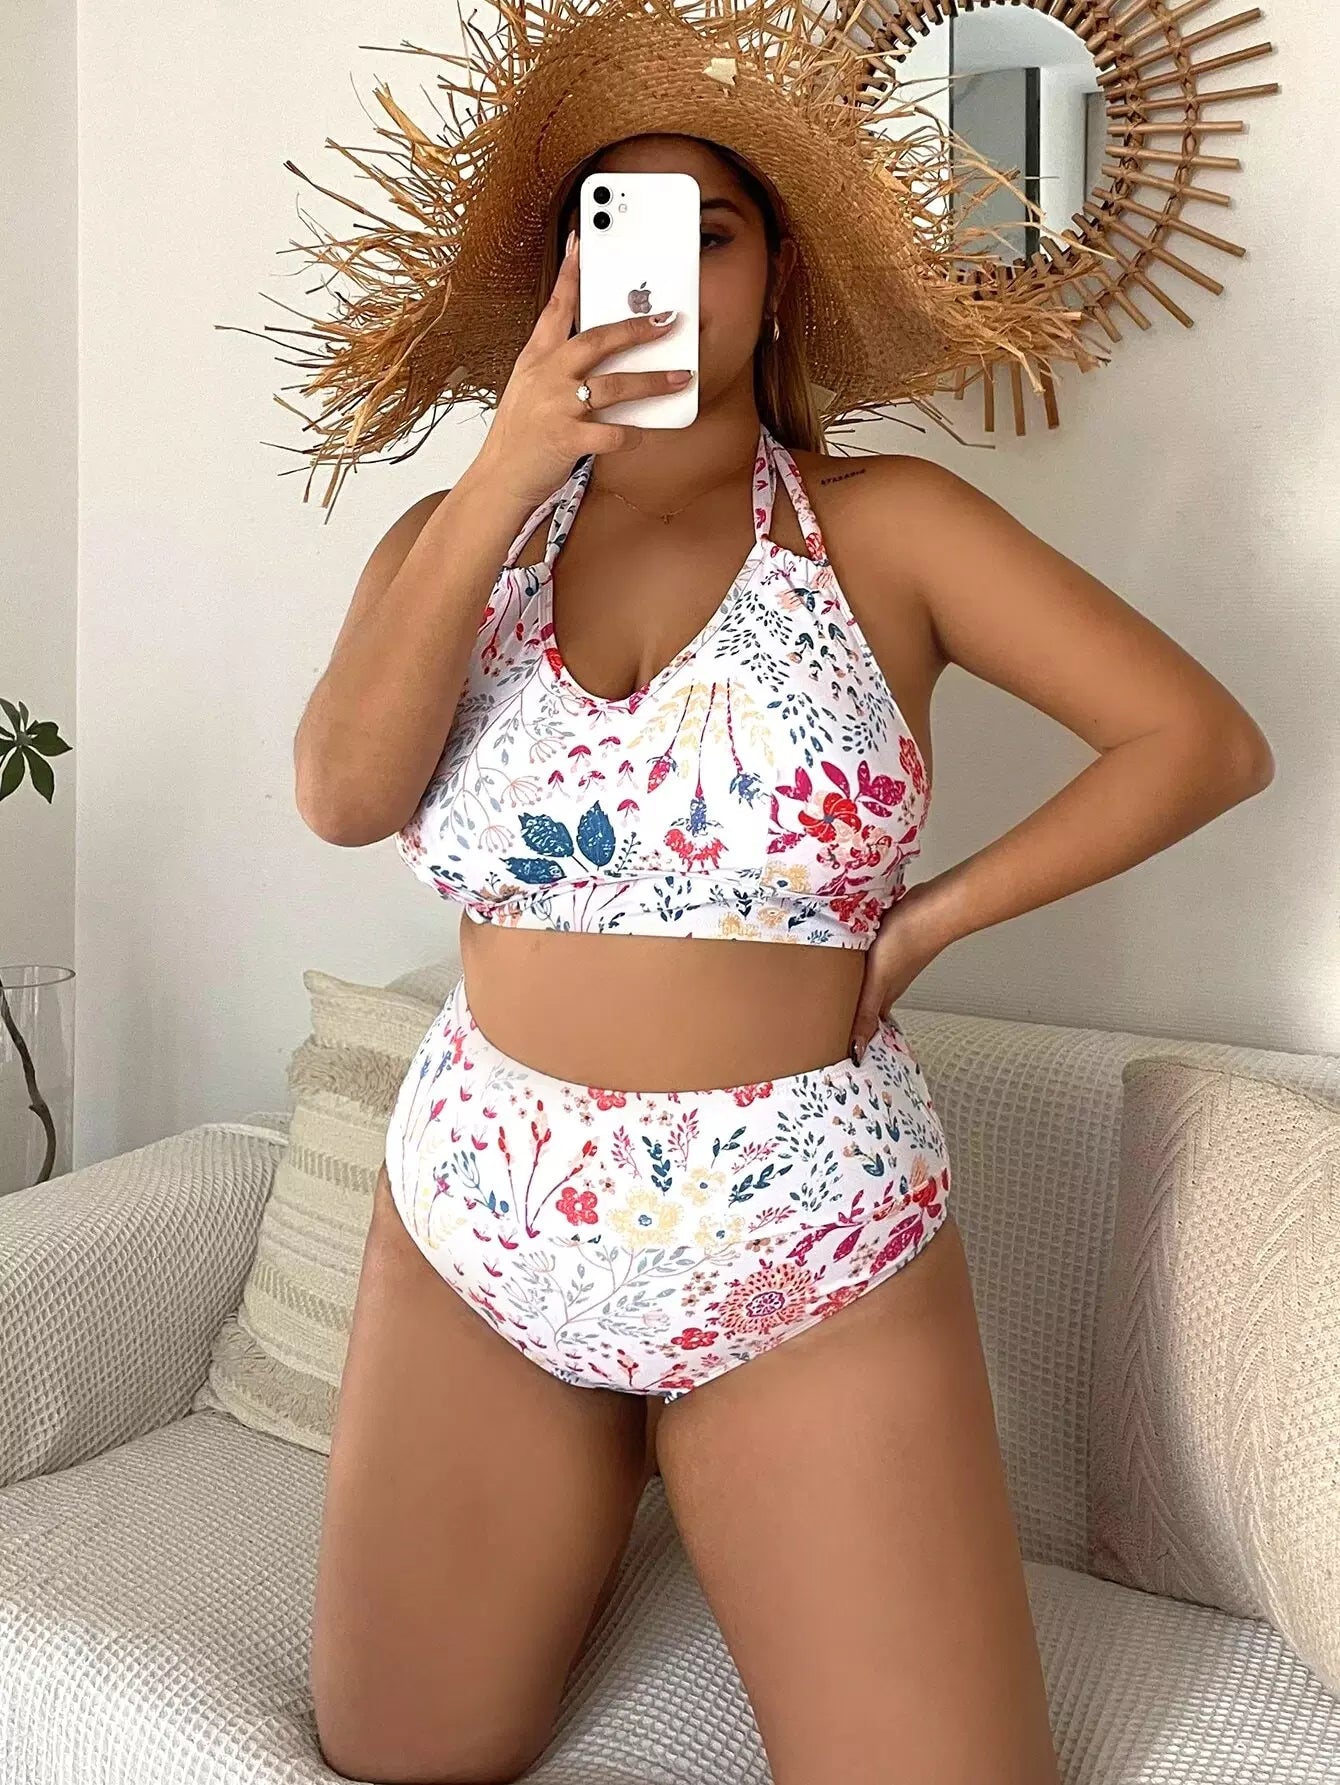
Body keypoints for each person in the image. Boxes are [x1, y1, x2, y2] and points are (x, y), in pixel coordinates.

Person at [281, 6, 1275, 1782]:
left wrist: (930, 920)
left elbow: (1198, 739)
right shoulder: (452, 536)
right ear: (558, 275)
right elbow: (343, 796)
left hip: (801, 1237)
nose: (663, 274)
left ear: (776, 274)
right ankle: (590, 1487)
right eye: (615, 230)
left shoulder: (885, 525)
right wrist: (506, 464)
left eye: (711, 232)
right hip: (481, 1214)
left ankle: (678, 1468)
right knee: (399, 1747)